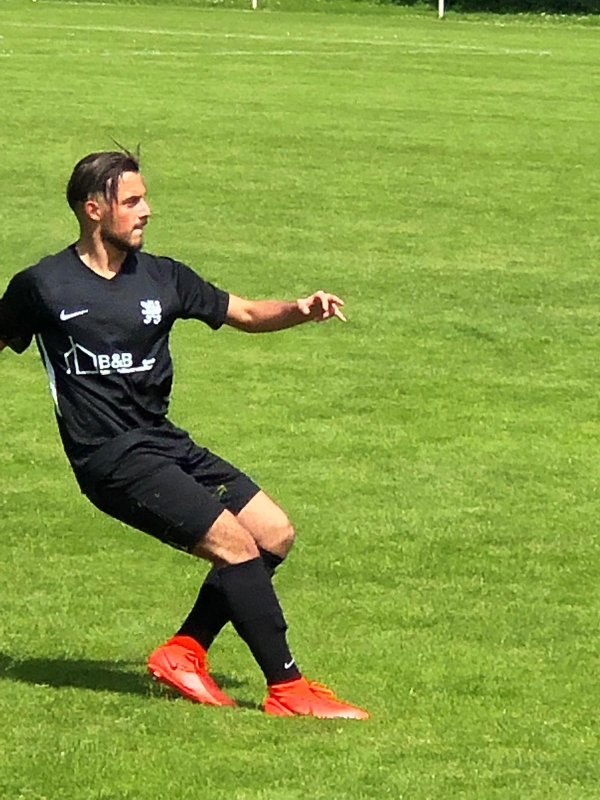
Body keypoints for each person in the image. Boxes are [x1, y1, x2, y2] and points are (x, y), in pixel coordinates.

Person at [0, 150, 369, 720]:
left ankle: (185, 650)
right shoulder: (43, 286)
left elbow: (246, 313)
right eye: (132, 201)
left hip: (163, 441)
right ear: (93, 210)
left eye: (144, 198)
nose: (146, 210)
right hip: (109, 457)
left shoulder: (163, 276)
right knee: (234, 546)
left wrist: (299, 309)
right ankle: (288, 690)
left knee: (273, 533)